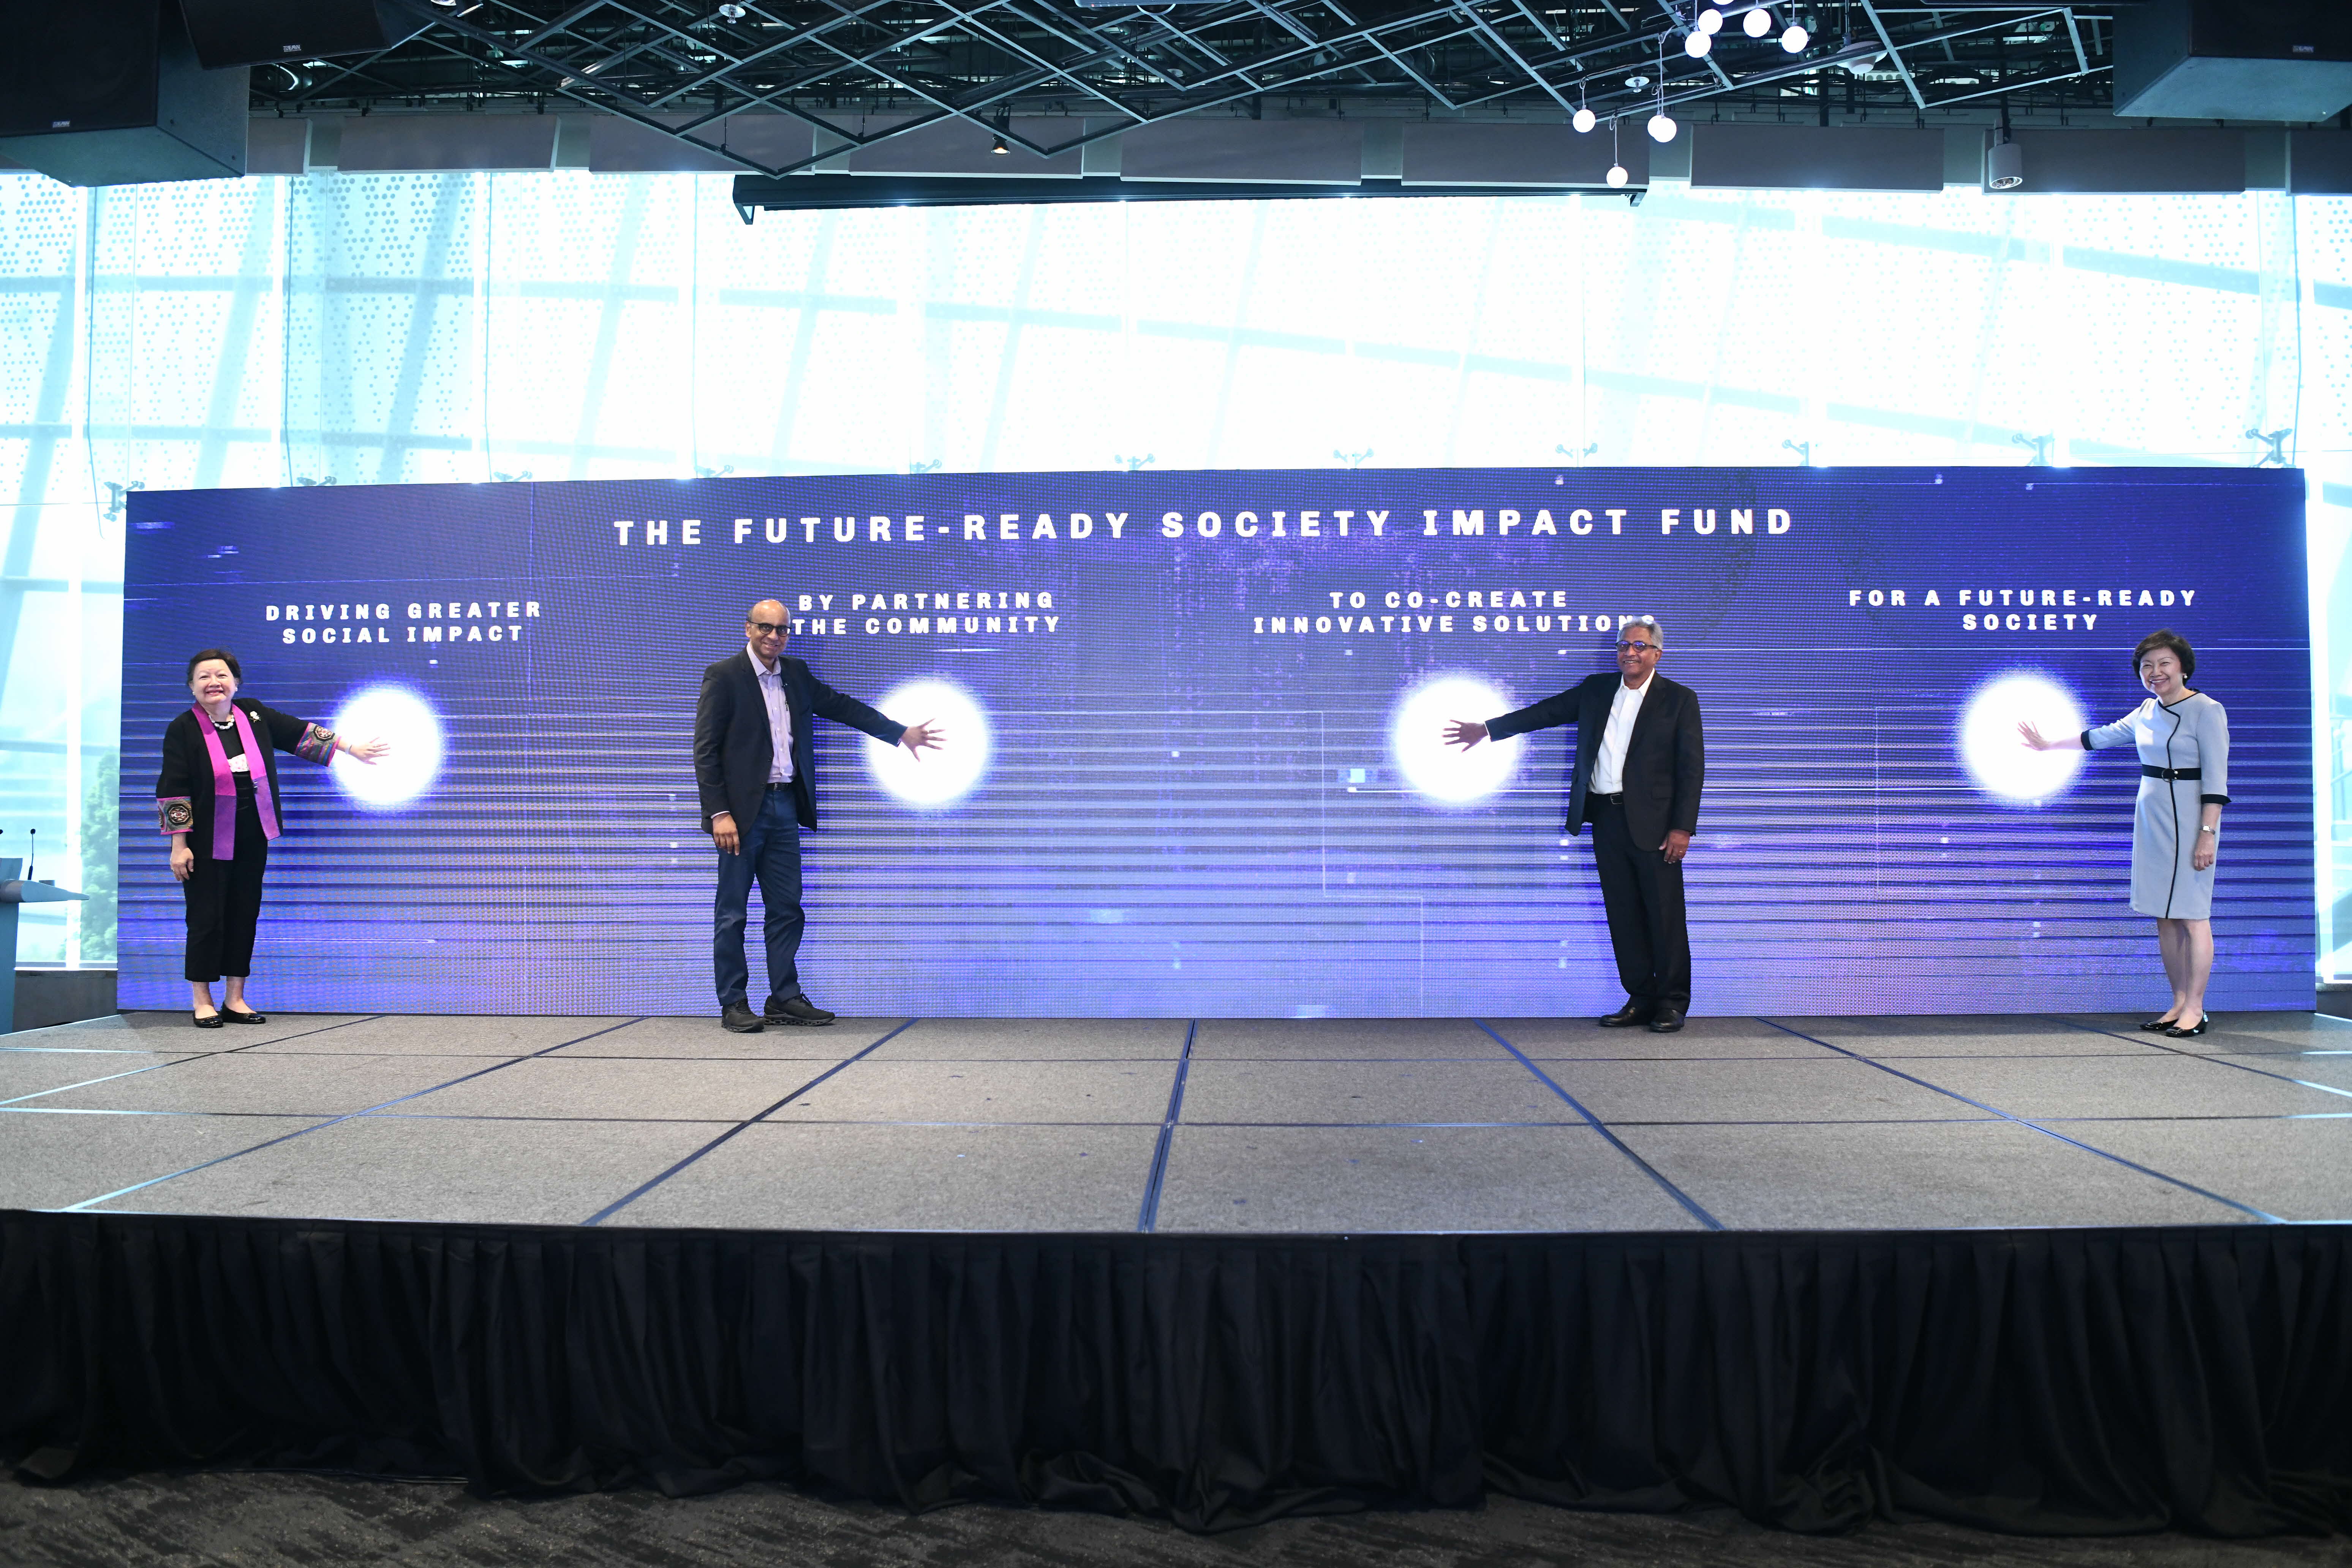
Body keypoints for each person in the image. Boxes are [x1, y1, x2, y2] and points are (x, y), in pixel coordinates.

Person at [1445, 616, 1706, 1032]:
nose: (1630, 653)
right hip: (1606, 817)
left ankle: (1672, 1002)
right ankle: (1640, 997)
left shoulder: (1679, 700)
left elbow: (1691, 770)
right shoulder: (1598, 689)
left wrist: (1682, 828)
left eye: (1639, 646)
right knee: (1623, 913)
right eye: (1624, 646)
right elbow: (1546, 713)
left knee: (1664, 914)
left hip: (1656, 826)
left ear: (1657, 653)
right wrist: (1488, 730)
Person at [695, 599, 942, 1033]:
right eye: (766, 628)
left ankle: (784, 997)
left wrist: (900, 733)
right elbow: (706, 751)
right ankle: (734, 1001)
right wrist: (719, 813)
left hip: (785, 806)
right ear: (748, 629)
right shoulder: (724, 676)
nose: (775, 636)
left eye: (782, 630)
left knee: (788, 908)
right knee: (733, 912)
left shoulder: (797, 674)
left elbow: (843, 707)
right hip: (740, 814)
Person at [154, 650, 388, 1027]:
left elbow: (301, 733)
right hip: (205, 839)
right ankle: (202, 1000)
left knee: (244, 913)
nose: (214, 682)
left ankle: (236, 998)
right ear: (191, 687)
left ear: (236, 682)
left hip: (252, 832)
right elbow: (173, 790)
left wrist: (351, 748)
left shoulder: (254, 714)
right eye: (204, 677)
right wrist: (179, 845)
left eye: (222, 675)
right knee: (206, 917)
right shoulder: (182, 728)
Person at [2021, 629, 2228, 1038]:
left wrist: (2208, 833)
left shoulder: (2207, 710)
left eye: (2164, 663)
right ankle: (2178, 1003)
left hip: (2191, 820)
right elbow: (2099, 737)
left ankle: (2197, 1008)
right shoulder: (2146, 712)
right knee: (2165, 918)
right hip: (2152, 819)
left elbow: (2216, 781)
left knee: (2193, 916)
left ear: (2183, 667)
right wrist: (2047, 746)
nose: (2156, 672)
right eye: (2147, 666)